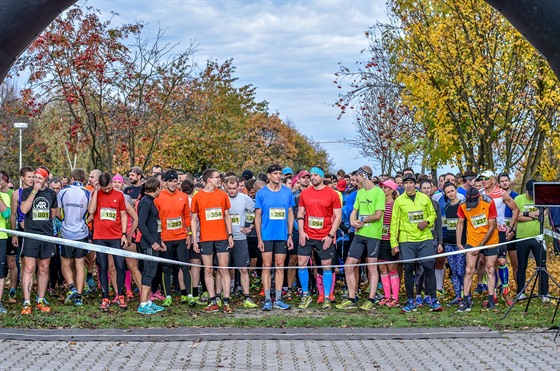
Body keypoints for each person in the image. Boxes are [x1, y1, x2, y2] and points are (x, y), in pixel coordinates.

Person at [390, 173, 443, 313]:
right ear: (403, 185)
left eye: (411, 183)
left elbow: (433, 214)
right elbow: (394, 223)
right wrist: (393, 243)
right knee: (408, 269)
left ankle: (434, 300)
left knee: (428, 267)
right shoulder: (399, 201)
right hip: (406, 240)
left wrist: (427, 222)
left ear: (415, 184)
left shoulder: (424, 198)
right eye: (406, 183)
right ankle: (410, 300)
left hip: (424, 238)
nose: (408, 185)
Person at [337, 165, 385, 310]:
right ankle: (352, 298)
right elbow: (354, 211)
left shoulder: (379, 192)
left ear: (364, 176)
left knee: (371, 267)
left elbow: (378, 215)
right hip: (359, 235)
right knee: (348, 265)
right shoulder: (360, 193)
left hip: (373, 235)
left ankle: (371, 299)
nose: (354, 180)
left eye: (357, 176)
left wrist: (362, 221)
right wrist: (352, 221)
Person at [296, 167, 342, 310]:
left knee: (327, 266)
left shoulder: (332, 194)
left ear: (322, 177)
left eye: (316, 175)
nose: (313, 177)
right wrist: (302, 232)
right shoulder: (305, 193)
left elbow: (338, 216)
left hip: (324, 236)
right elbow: (300, 214)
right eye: (311, 175)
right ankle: (305, 295)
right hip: (308, 234)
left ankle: (327, 297)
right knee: (302, 263)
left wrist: (330, 235)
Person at [191, 168, 235, 313]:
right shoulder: (198, 197)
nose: (219, 180)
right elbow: (193, 219)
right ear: (209, 179)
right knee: (208, 269)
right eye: (217, 177)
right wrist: (195, 240)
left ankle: (226, 301)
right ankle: (212, 301)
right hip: (205, 238)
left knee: (223, 269)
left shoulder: (222, 195)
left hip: (222, 237)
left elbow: (227, 215)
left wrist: (230, 235)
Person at [255, 164, 295, 311]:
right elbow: (257, 217)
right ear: (269, 175)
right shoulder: (261, 193)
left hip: (282, 236)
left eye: (280, 173)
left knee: (280, 266)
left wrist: (290, 235)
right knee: (266, 266)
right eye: (276, 173)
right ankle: (267, 299)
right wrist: (259, 238)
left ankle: (278, 299)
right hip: (266, 235)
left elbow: (291, 214)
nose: (279, 176)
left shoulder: (287, 192)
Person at [20, 166, 58, 315]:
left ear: (45, 180)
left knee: (44, 267)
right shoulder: (27, 192)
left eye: (40, 178)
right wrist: (35, 191)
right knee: (29, 268)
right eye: (35, 177)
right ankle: (26, 302)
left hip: (46, 236)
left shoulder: (50, 194)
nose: (36, 180)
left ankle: (40, 300)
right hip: (31, 235)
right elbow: (23, 210)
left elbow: (53, 214)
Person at [88, 172, 129, 311]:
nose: (106, 190)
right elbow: (91, 210)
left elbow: (123, 215)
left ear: (112, 182)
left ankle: (120, 295)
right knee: (103, 267)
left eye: (108, 188)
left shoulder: (119, 195)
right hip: (100, 236)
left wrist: (124, 234)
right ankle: (105, 297)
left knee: (120, 266)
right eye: (104, 188)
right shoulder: (97, 194)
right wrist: (95, 192)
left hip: (116, 236)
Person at [154, 170, 195, 306]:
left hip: (181, 237)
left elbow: (187, 217)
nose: (173, 184)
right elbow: (156, 219)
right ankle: (168, 296)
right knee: (166, 268)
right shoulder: (159, 197)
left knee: (184, 266)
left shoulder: (183, 196)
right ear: (165, 182)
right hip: (166, 238)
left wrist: (189, 234)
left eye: (175, 181)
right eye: (170, 181)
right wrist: (159, 238)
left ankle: (189, 295)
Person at [478, 170, 519, 306]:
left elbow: (516, 209)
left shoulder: (501, 193)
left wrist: (511, 227)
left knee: (501, 261)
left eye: (486, 178)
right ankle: (493, 294)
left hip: (499, 232)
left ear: (493, 180)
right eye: (482, 178)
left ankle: (506, 293)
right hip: (485, 233)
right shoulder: (481, 194)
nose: (483, 181)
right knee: (490, 264)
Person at [456, 187, 499, 312]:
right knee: (469, 269)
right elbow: (460, 222)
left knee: (490, 268)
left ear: (479, 197)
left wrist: (481, 246)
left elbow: (492, 226)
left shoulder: (489, 202)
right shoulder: (462, 204)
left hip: (490, 240)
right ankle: (465, 301)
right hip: (472, 240)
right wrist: (459, 242)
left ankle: (491, 301)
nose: (472, 206)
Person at [56, 168, 90, 307]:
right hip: (81, 232)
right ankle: (79, 297)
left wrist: (64, 220)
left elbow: (57, 212)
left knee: (65, 263)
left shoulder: (62, 192)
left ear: (71, 177)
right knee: (79, 264)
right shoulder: (88, 193)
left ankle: (72, 287)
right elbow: (91, 212)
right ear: (83, 179)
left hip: (66, 232)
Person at [225, 176, 258, 309]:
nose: (232, 191)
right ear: (225, 186)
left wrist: (249, 226)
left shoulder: (245, 198)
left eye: (234, 188)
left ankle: (247, 296)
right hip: (224, 238)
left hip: (240, 237)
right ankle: (223, 295)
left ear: (239, 186)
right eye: (230, 188)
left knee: (243, 269)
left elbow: (253, 211)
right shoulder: (222, 197)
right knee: (223, 269)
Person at [514, 179, 549, 302]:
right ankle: (520, 292)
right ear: (525, 190)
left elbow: (542, 214)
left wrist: (529, 215)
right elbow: (517, 216)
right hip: (522, 237)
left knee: (542, 266)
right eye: (530, 194)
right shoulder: (519, 199)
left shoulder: (541, 198)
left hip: (538, 237)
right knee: (521, 266)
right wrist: (531, 215)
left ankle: (544, 293)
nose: (532, 196)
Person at [137, 177, 166, 315]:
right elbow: (141, 225)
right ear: (155, 189)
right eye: (160, 188)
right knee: (148, 273)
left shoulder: (151, 201)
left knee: (152, 272)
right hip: (148, 244)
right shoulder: (145, 202)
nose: (161, 190)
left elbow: (154, 225)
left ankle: (149, 301)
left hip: (155, 242)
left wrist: (160, 241)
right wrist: (152, 242)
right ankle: (143, 304)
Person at [375, 179, 400, 308]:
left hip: (390, 240)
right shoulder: (379, 203)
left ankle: (395, 297)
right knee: (382, 268)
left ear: (391, 190)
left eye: (385, 188)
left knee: (392, 268)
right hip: (379, 239)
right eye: (382, 187)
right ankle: (387, 295)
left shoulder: (396, 204)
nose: (383, 190)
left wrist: (395, 243)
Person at [441, 182, 466, 306]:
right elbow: (445, 226)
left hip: (461, 243)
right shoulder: (445, 208)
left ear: (456, 190)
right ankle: (458, 296)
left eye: (452, 191)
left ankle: (466, 295)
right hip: (449, 243)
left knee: (462, 271)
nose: (451, 194)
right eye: (448, 192)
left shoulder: (463, 206)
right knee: (454, 271)